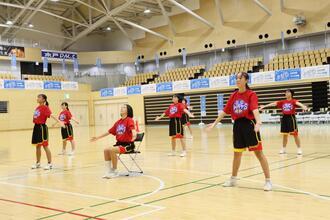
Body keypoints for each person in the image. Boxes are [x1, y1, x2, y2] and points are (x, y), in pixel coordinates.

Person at [206, 72, 272, 191]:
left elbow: (255, 109)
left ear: (246, 80)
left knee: (258, 153)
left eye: (240, 78)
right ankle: (233, 179)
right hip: (237, 126)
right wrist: (215, 123)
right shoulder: (234, 95)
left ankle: (268, 181)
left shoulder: (251, 94)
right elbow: (225, 111)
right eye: (236, 78)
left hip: (249, 124)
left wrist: (258, 122)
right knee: (237, 154)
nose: (237, 80)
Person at [90, 104, 137, 178]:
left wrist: (134, 135)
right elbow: (109, 132)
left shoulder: (129, 120)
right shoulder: (118, 122)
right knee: (106, 150)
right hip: (119, 144)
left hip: (128, 145)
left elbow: (133, 129)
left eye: (124, 107)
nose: (122, 108)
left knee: (112, 150)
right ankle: (109, 171)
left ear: (128, 110)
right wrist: (97, 137)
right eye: (121, 107)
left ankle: (115, 171)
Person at [259, 89, 308, 155]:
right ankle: (283, 149)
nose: (286, 93)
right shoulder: (283, 102)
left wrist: (303, 106)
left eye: (288, 92)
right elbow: (274, 103)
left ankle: (299, 149)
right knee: (285, 135)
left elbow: (298, 103)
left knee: (295, 134)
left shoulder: (293, 101)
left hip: (291, 118)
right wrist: (264, 106)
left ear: (291, 94)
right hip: (284, 118)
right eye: (286, 92)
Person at [31, 94, 58, 170]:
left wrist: (59, 121)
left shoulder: (45, 107)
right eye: (38, 97)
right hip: (36, 127)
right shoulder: (38, 107)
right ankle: (38, 163)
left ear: (43, 100)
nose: (38, 98)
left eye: (39, 97)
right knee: (38, 146)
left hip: (42, 128)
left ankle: (49, 164)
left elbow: (51, 115)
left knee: (45, 146)